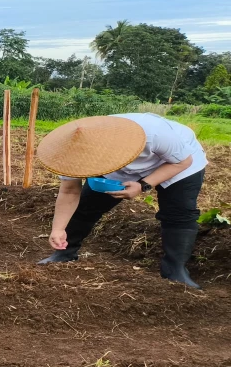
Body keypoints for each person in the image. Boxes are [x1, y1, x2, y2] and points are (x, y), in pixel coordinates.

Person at [37, 113, 208, 289]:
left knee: (179, 211)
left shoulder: (154, 133)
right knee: (87, 204)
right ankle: (64, 253)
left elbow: (183, 162)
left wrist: (143, 185)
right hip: (116, 164)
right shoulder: (70, 153)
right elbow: (70, 191)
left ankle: (175, 271)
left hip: (178, 162)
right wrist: (58, 229)